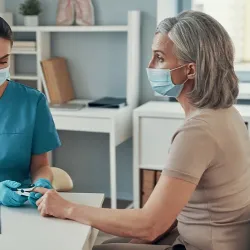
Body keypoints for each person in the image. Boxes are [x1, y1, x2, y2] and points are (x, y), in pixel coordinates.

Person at [35, 10, 250, 250]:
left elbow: (150, 224)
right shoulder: (227, 113)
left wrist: (66, 207)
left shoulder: (198, 131)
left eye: (159, 57)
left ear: (190, 70)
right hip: (206, 238)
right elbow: (166, 217)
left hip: (200, 245)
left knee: (92, 247)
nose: (150, 66)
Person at [0, 17, 61, 208]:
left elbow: (40, 165)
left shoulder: (33, 101)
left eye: (3, 61)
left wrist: (41, 183)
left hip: (20, 206)